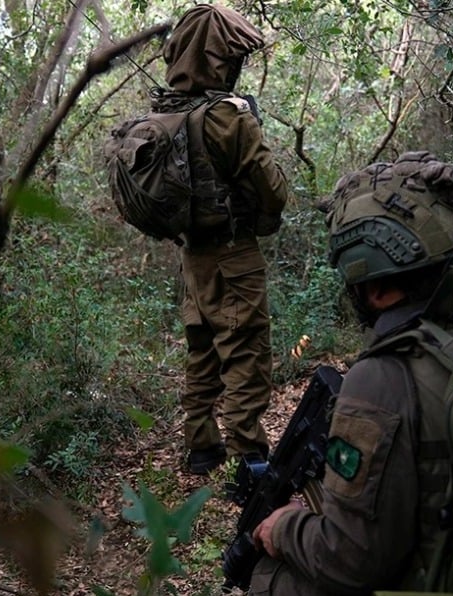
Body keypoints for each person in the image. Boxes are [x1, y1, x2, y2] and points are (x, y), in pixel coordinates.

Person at [245, 152, 453, 596]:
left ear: (374, 287)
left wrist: (285, 527)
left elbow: (353, 561)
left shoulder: (384, 375)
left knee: (266, 581)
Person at [154, 4, 289, 475]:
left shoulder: (166, 115)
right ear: (221, 60)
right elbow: (273, 189)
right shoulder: (228, 116)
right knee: (246, 351)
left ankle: (201, 447)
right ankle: (249, 461)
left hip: (193, 256)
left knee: (202, 349)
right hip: (235, 253)